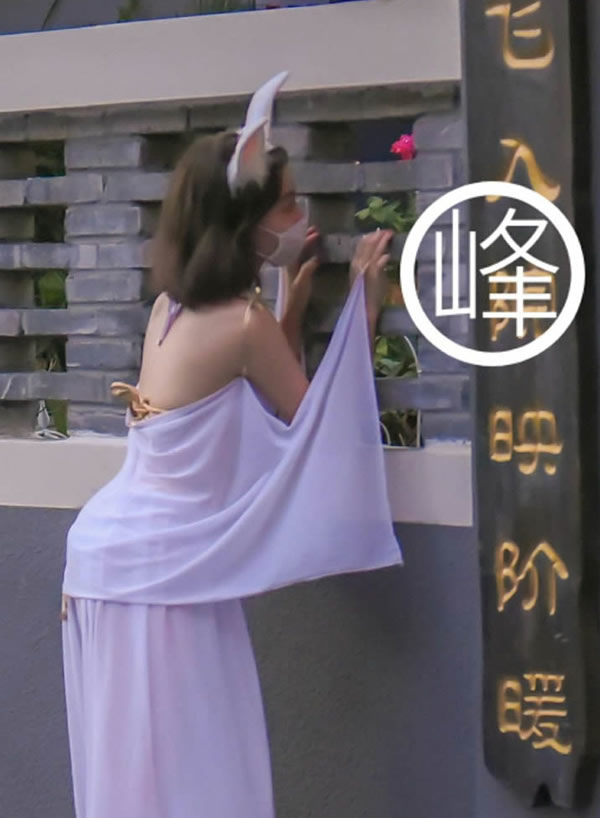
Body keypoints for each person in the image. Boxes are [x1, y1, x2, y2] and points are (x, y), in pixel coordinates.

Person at [60, 72, 403, 818]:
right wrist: (364, 305)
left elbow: (228, 403)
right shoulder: (244, 327)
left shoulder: (170, 307)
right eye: (286, 205)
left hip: (109, 561)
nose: (300, 217)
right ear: (244, 222)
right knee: (201, 776)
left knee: (141, 782)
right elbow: (319, 434)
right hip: (161, 579)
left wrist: (286, 314)